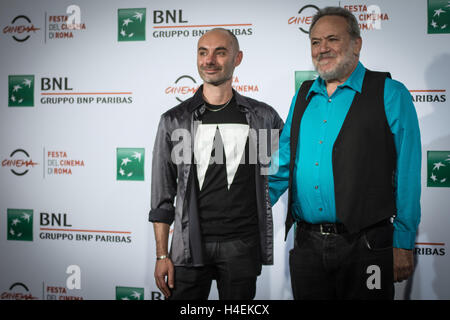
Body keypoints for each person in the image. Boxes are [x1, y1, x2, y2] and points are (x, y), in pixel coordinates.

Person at [269, 7, 421, 299]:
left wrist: (403, 241)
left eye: (332, 39)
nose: (322, 48)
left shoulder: (390, 93)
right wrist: (250, 204)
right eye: (315, 42)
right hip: (307, 245)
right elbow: (283, 161)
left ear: (357, 44)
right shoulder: (302, 95)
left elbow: (409, 171)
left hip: (367, 244)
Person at [149, 28, 283, 300]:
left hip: (242, 245)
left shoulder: (263, 116)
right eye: (203, 52)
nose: (209, 60)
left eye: (220, 52)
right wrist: (162, 254)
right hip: (188, 245)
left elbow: (290, 165)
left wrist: (263, 198)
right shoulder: (174, 120)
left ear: (238, 58)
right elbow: (161, 197)